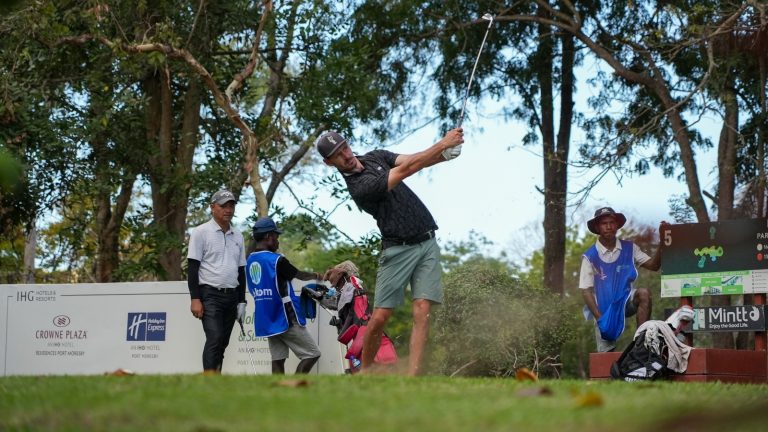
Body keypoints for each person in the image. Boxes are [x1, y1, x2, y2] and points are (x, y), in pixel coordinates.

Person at [317, 128, 464, 375]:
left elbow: (411, 160)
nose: (345, 154)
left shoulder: (376, 156)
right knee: (380, 316)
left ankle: (413, 376)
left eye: (344, 146)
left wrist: (446, 154)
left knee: (422, 310)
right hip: (397, 250)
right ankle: (365, 371)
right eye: (337, 154)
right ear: (329, 162)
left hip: (427, 240)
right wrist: (441, 144)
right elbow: (407, 170)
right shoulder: (360, 187)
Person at [579, 206, 665, 352]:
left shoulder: (629, 248)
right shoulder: (590, 256)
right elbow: (586, 291)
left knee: (643, 293)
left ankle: (641, 343)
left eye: (612, 222)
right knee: (606, 356)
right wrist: (600, 319)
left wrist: (663, 242)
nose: (608, 226)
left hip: (626, 300)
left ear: (617, 225)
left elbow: (654, 265)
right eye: (604, 223)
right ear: (597, 227)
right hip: (603, 309)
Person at [246, 217, 323, 374]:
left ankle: (279, 394)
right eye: (276, 237)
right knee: (312, 354)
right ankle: (295, 388)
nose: (278, 241)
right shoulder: (277, 260)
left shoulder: (250, 260)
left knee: (277, 359)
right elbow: (299, 275)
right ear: (269, 237)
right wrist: (317, 275)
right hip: (285, 316)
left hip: (267, 318)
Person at [187, 189, 247, 373]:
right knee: (215, 338)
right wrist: (195, 299)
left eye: (231, 205)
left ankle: (215, 379)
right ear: (213, 207)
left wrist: (241, 301)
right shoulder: (201, 232)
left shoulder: (238, 235)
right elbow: (192, 268)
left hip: (231, 296)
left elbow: (241, 270)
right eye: (223, 206)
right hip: (209, 294)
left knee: (223, 342)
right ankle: (208, 381)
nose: (228, 209)